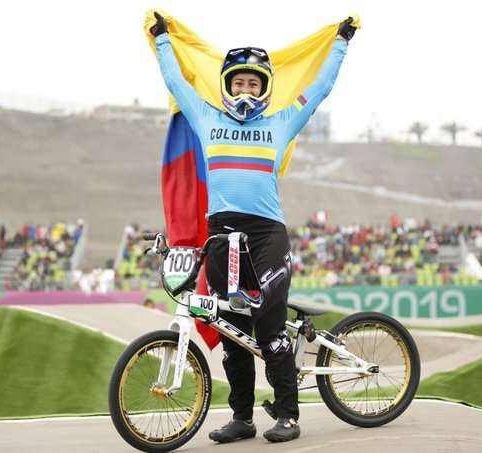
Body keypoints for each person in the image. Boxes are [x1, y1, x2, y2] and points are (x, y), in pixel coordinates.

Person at [150, 12, 356, 443]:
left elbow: (318, 89)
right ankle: (242, 418)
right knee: (231, 332)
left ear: (264, 89)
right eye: (239, 82)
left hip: (266, 235)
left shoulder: (280, 122)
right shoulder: (206, 119)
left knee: (268, 326)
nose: (246, 90)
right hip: (221, 236)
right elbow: (176, 83)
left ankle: (288, 416)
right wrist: (163, 39)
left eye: (254, 84)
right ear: (228, 85)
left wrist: (340, 43)